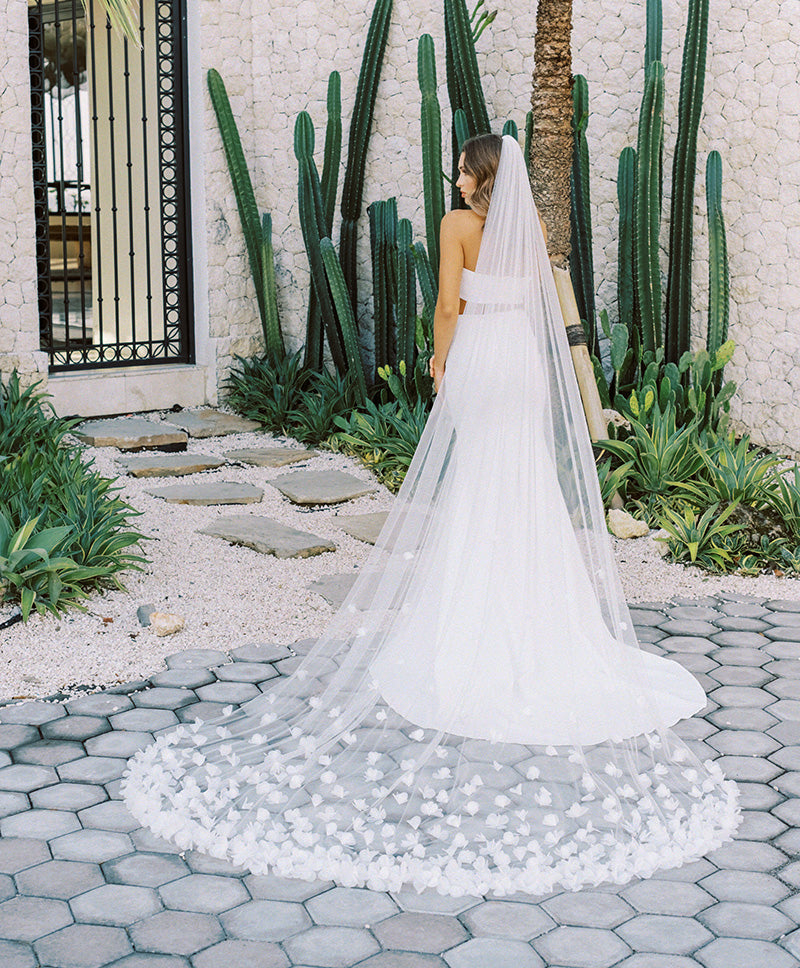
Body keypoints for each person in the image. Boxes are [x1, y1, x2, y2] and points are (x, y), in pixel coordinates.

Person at [123, 133, 741, 898]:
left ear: (479, 178)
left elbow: (448, 304)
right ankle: (536, 618)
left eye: (461, 169)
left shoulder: (457, 226)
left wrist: (441, 362)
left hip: (483, 357)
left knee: (477, 482)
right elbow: (546, 307)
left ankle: (471, 620)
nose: (453, 178)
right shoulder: (533, 229)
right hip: (522, 364)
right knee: (523, 485)